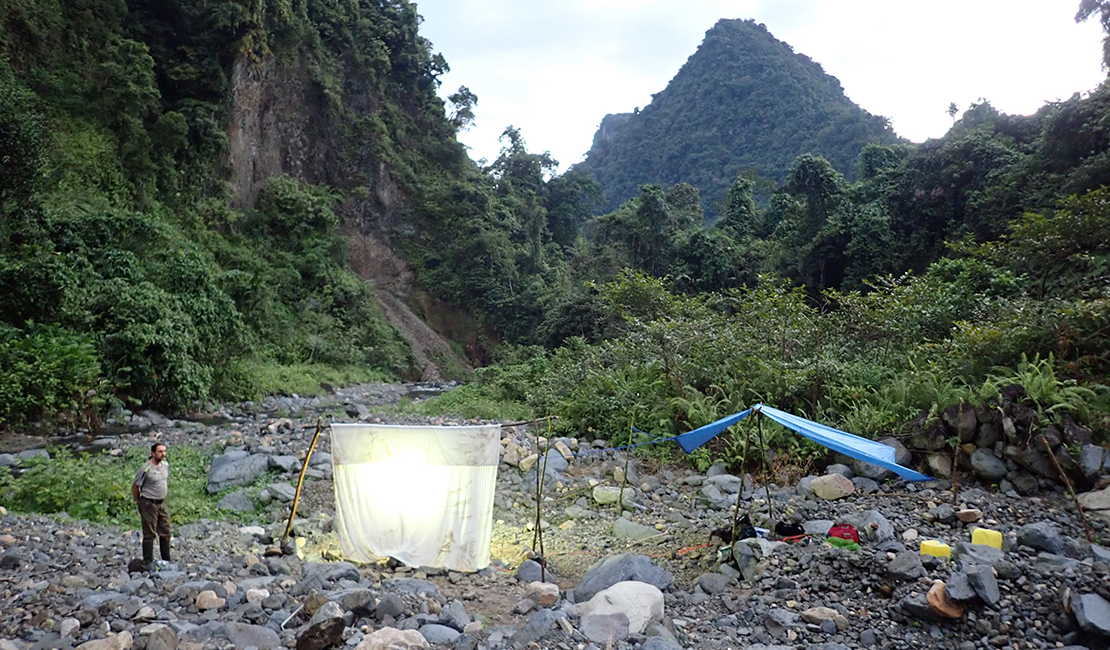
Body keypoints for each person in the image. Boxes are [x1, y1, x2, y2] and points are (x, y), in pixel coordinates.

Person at [132, 443, 171, 568]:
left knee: (166, 531)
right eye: (160, 451)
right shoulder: (145, 468)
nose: (163, 454)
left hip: (161, 503)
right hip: (148, 503)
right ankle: (148, 561)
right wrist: (138, 501)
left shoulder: (165, 465)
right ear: (153, 453)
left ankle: (166, 560)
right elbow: (135, 486)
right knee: (149, 533)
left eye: (164, 451)